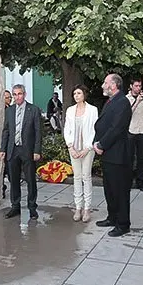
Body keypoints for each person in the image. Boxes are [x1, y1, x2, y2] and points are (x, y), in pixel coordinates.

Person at [93, 74, 132, 237]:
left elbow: (116, 128)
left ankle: (123, 224)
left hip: (118, 154)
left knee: (120, 190)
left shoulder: (122, 102)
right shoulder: (111, 101)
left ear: (114, 85)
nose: (103, 85)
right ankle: (112, 217)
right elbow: (103, 125)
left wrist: (101, 145)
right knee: (109, 189)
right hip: (109, 154)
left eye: (105, 83)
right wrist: (97, 142)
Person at [0, 84, 42, 220]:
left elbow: (38, 132)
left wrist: (36, 150)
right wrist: (2, 149)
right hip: (13, 150)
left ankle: (32, 208)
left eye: (20, 94)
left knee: (30, 180)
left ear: (24, 94)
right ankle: (15, 206)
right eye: (15, 94)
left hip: (27, 150)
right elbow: (6, 131)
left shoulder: (33, 110)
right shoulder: (9, 111)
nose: (17, 97)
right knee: (14, 180)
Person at [63, 84, 98, 222]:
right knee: (77, 177)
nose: (76, 96)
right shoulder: (70, 110)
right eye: (74, 94)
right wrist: (70, 147)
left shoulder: (92, 110)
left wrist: (87, 148)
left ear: (84, 94)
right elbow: (67, 129)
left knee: (86, 176)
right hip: (74, 149)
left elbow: (95, 129)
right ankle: (78, 207)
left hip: (87, 149)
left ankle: (87, 208)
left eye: (78, 93)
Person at [126, 78, 143, 191]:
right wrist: (137, 101)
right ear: (131, 86)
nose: (138, 88)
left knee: (141, 158)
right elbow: (128, 113)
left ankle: (140, 182)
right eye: (136, 86)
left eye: (140, 86)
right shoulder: (127, 98)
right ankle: (128, 181)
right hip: (131, 130)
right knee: (129, 158)